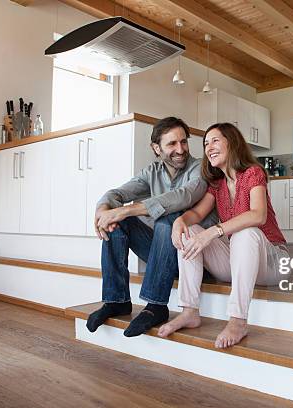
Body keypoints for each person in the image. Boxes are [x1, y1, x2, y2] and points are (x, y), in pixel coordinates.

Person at [158, 123, 289, 348]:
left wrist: (214, 231)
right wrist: (180, 222)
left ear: (232, 142)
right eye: (206, 143)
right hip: (239, 262)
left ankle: (238, 320)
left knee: (245, 232)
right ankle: (189, 311)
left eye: (215, 140)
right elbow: (197, 213)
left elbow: (258, 215)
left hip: (273, 262)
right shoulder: (217, 184)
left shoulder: (253, 173)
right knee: (191, 232)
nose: (209, 147)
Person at [86, 117, 216, 337]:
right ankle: (116, 300)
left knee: (169, 217)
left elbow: (182, 197)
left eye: (183, 142)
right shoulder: (152, 172)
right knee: (118, 224)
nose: (181, 149)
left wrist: (127, 209)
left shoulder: (200, 168)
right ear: (156, 148)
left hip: (194, 260)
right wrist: (103, 210)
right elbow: (117, 194)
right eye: (172, 144)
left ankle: (156, 306)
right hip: (164, 255)